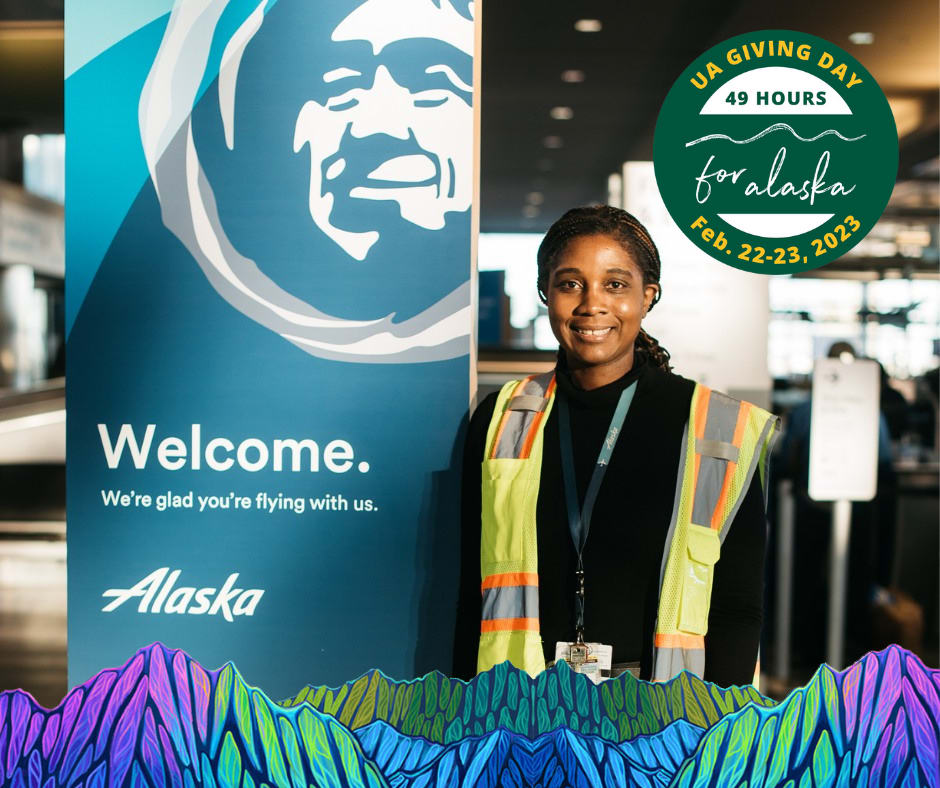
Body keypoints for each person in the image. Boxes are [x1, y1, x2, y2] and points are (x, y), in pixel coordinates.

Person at [454, 206, 779, 686]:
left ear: (648, 296)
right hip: (521, 714)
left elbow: (738, 608)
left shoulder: (719, 428)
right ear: (546, 293)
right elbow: (471, 589)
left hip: (662, 719)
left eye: (615, 284)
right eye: (570, 284)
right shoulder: (502, 418)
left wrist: (720, 735)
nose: (591, 304)